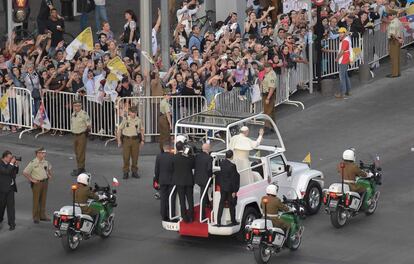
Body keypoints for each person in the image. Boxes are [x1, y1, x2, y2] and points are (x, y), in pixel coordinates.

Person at [23, 147, 53, 224]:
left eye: (44, 153)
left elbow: (48, 168)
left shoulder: (45, 162)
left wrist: (49, 174)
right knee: (36, 200)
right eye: (43, 153)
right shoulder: (33, 163)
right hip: (37, 183)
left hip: (45, 182)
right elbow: (25, 172)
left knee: (43, 199)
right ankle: (36, 217)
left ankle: (42, 215)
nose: (44, 154)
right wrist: (32, 179)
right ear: (38, 154)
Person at [117, 106, 144, 179]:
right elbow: (119, 129)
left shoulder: (138, 120)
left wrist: (142, 140)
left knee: (135, 157)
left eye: (135, 112)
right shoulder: (125, 120)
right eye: (132, 112)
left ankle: (134, 171)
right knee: (126, 157)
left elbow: (141, 130)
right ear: (129, 112)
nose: (134, 114)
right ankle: (126, 172)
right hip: (126, 140)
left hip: (135, 140)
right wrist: (119, 140)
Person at [172, 141, 194, 223]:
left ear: (176, 148)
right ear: (183, 147)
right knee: (190, 200)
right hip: (188, 181)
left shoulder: (174, 157)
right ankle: (191, 217)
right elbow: (193, 165)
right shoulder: (188, 157)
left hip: (179, 182)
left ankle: (184, 217)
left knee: (182, 201)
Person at [216, 150, 240, 226]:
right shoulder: (232, 166)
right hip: (230, 189)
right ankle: (233, 221)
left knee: (221, 204)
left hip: (223, 187)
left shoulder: (222, 163)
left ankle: (218, 221)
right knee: (231, 205)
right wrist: (234, 190)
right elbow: (234, 179)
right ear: (232, 156)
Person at [154, 144, 175, 221]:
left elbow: (156, 170)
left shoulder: (159, 157)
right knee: (171, 198)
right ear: (170, 149)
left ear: (163, 149)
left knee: (163, 198)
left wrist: (156, 180)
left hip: (162, 180)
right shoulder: (173, 156)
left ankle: (163, 215)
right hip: (171, 180)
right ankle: (171, 215)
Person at [71, 100, 91, 177]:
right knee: (76, 152)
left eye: (79, 105)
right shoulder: (73, 114)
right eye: (76, 105)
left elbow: (89, 125)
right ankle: (80, 167)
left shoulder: (84, 114)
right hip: (75, 135)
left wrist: (86, 133)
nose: (77, 107)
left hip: (81, 135)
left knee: (80, 152)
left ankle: (80, 168)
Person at [0, 151, 19, 231]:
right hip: (2, 190)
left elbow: (15, 173)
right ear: (5, 157)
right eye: (9, 157)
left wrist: (16, 166)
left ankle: (12, 224)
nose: (11, 159)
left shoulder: (10, 163)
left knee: (11, 208)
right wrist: (11, 164)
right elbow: (6, 171)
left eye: (11, 157)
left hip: (11, 189)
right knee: (1, 207)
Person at [194, 143, 213, 219]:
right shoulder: (209, 158)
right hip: (205, 179)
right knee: (202, 195)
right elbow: (209, 169)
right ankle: (202, 215)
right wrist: (211, 176)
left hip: (198, 178)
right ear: (208, 149)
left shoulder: (197, 156)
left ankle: (208, 203)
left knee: (204, 192)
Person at [335, 27, 352, 99]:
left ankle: (343, 93)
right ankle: (348, 91)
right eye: (339, 33)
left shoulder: (345, 40)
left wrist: (337, 58)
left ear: (344, 33)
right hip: (346, 58)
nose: (340, 34)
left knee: (342, 76)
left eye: (341, 33)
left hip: (343, 59)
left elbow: (342, 51)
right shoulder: (347, 39)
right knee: (345, 75)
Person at [386, 10, 403, 78]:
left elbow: (392, 34)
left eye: (389, 16)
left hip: (394, 40)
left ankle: (394, 73)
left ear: (392, 16)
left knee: (393, 58)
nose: (388, 17)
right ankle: (398, 72)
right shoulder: (398, 21)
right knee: (397, 57)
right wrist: (401, 39)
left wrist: (398, 39)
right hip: (398, 39)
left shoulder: (392, 23)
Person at [261, 62, 277, 130]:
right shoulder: (268, 73)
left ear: (270, 67)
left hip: (268, 94)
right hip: (267, 93)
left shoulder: (271, 75)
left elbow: (272, 88)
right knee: (271, 110)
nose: (266, 69)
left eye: (267, 67)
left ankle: (266, 127)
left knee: (267, 111)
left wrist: (268, 98)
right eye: (265, 67)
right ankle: (273, 126)